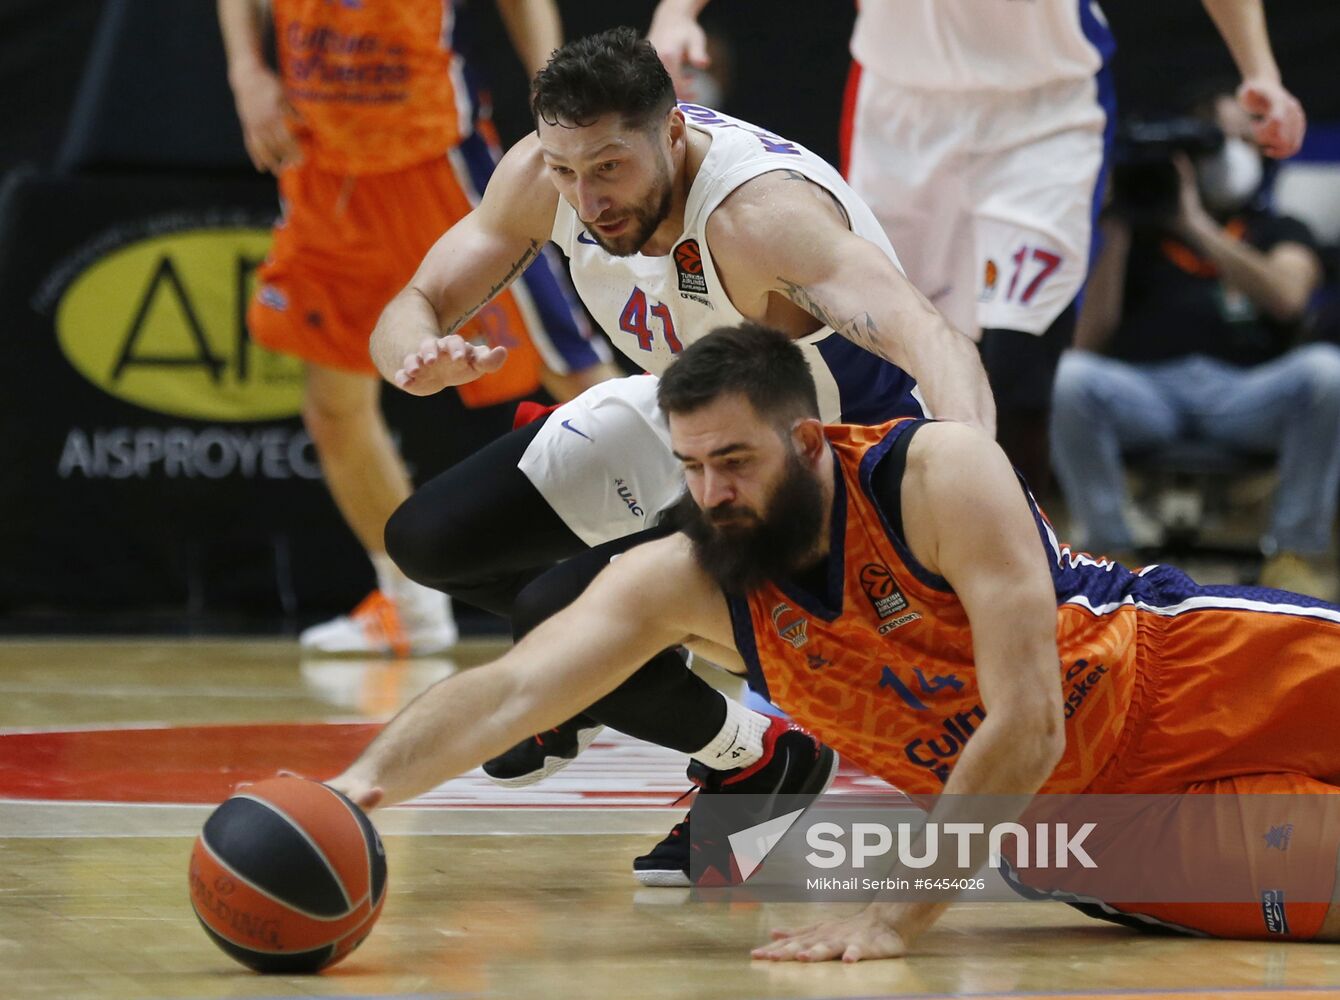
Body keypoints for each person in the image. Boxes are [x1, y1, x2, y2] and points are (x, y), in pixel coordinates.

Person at [328, 324, 1340, 960]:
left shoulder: (935, 475)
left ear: (806, 442)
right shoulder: (683, 577)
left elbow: (1026, 720)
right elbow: (510, 693)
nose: (712, 491)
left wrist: (891, 918)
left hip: (1190, 671)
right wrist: (355, 789)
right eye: (691, 466)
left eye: (734, 460)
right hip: (1088, 832)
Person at [369, 27, 993, 880]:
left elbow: (935, 338)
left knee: (559, 613)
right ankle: (673, 714)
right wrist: (417, 360)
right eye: (565, 172)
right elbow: (415, 300)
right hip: (692, 417)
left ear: (671, 134)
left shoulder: (758, 216)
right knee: (428, 539)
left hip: (820, 460)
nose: (586, 200)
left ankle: (734, 743)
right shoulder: (545, 173)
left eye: (608, 169)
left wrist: (970, 486)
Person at [649, 0, 1307, 490]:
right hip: (902, 101)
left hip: (1046, 108)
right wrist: (677, 13)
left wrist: (1261, 69)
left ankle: (1014, 559)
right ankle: (869, 547)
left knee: (1019, 359)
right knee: (871, 341)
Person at [218, 0, 618, 656]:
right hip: (324, 162)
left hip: (433, 157)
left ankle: (685, 571)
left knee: (572, 368)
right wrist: (246, 71)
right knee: (333, 406)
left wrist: (553, 91)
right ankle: (409, 605)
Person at [1051, 88, 1332, 598]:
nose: (1231, 153)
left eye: (1243, 141)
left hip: (1246, 396)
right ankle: (1110, 554)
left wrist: (1192, 224)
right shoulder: (1136, 232)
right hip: (1146, 395)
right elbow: (1086, 342)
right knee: (1070, 377)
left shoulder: (1278, 227)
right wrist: (1116, 224)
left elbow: (1290, 297)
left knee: (1326, 373)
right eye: (1218, 142)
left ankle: (1293, 551)